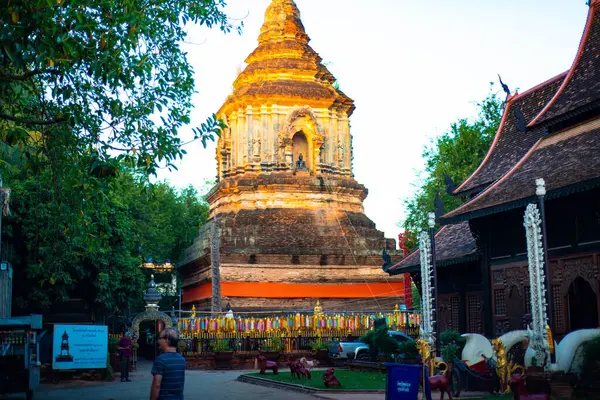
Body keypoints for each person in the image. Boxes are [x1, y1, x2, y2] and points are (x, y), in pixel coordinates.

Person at [150, 328, 186, 400]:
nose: (158, 341)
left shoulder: (161, 360)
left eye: (160, 338)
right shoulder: (181, 359)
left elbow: (156, 385)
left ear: (166, 340)